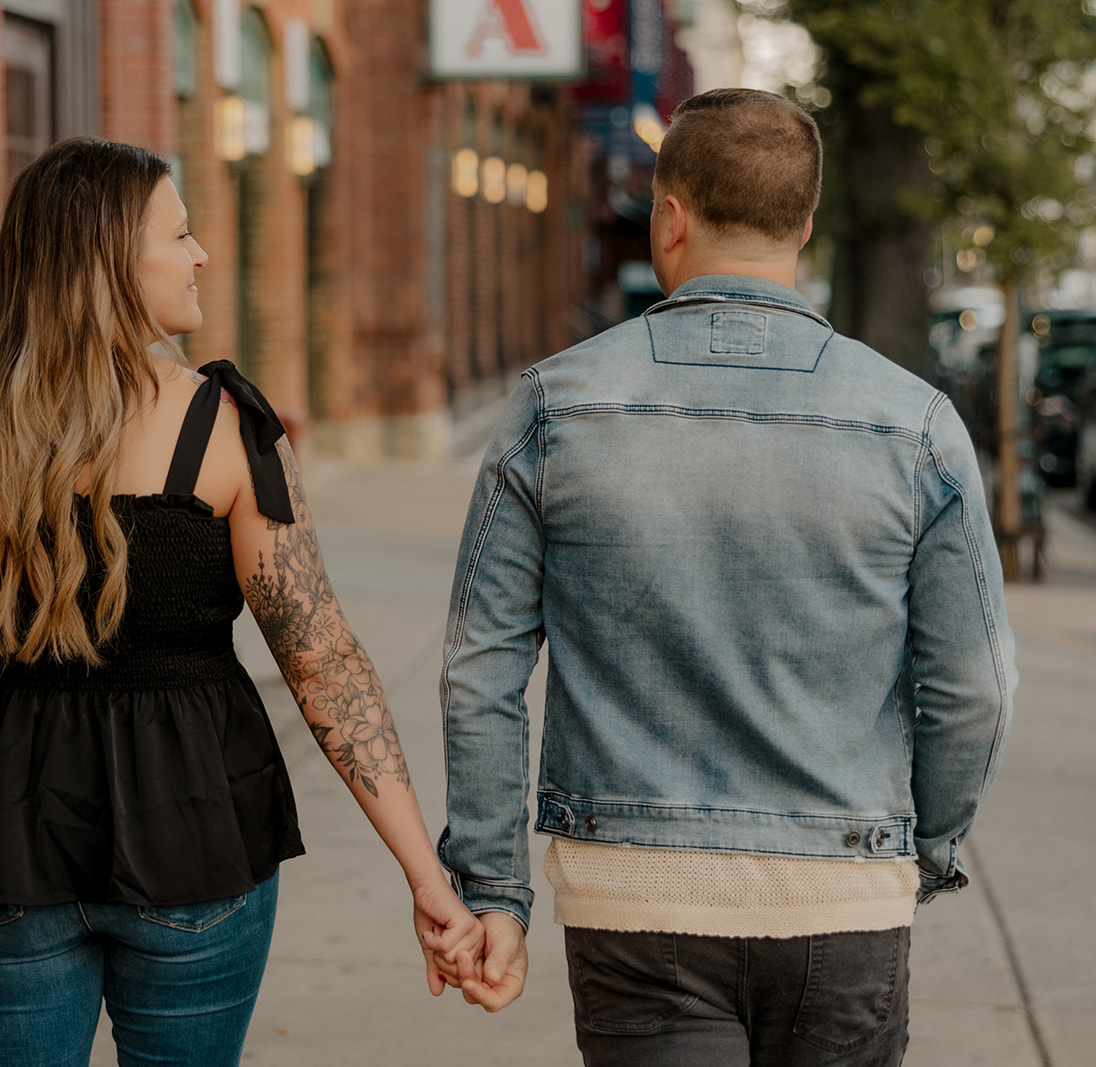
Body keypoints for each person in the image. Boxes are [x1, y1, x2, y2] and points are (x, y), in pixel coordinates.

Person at [435, 88, 1016, 1064]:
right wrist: (926, 844)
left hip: (635, 894)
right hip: (843, 893)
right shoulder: (913, 421)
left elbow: (479, 668)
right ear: (803, 225)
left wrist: (493, 887)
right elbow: (973, 687)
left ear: (670, 217)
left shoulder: (556, 403)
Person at [0, 136, 479, 1066]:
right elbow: (320, 660)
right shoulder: (227, 429)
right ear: (112, 261)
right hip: (193, 829)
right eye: (182, 234)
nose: (202, 255)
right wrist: (424, 873)